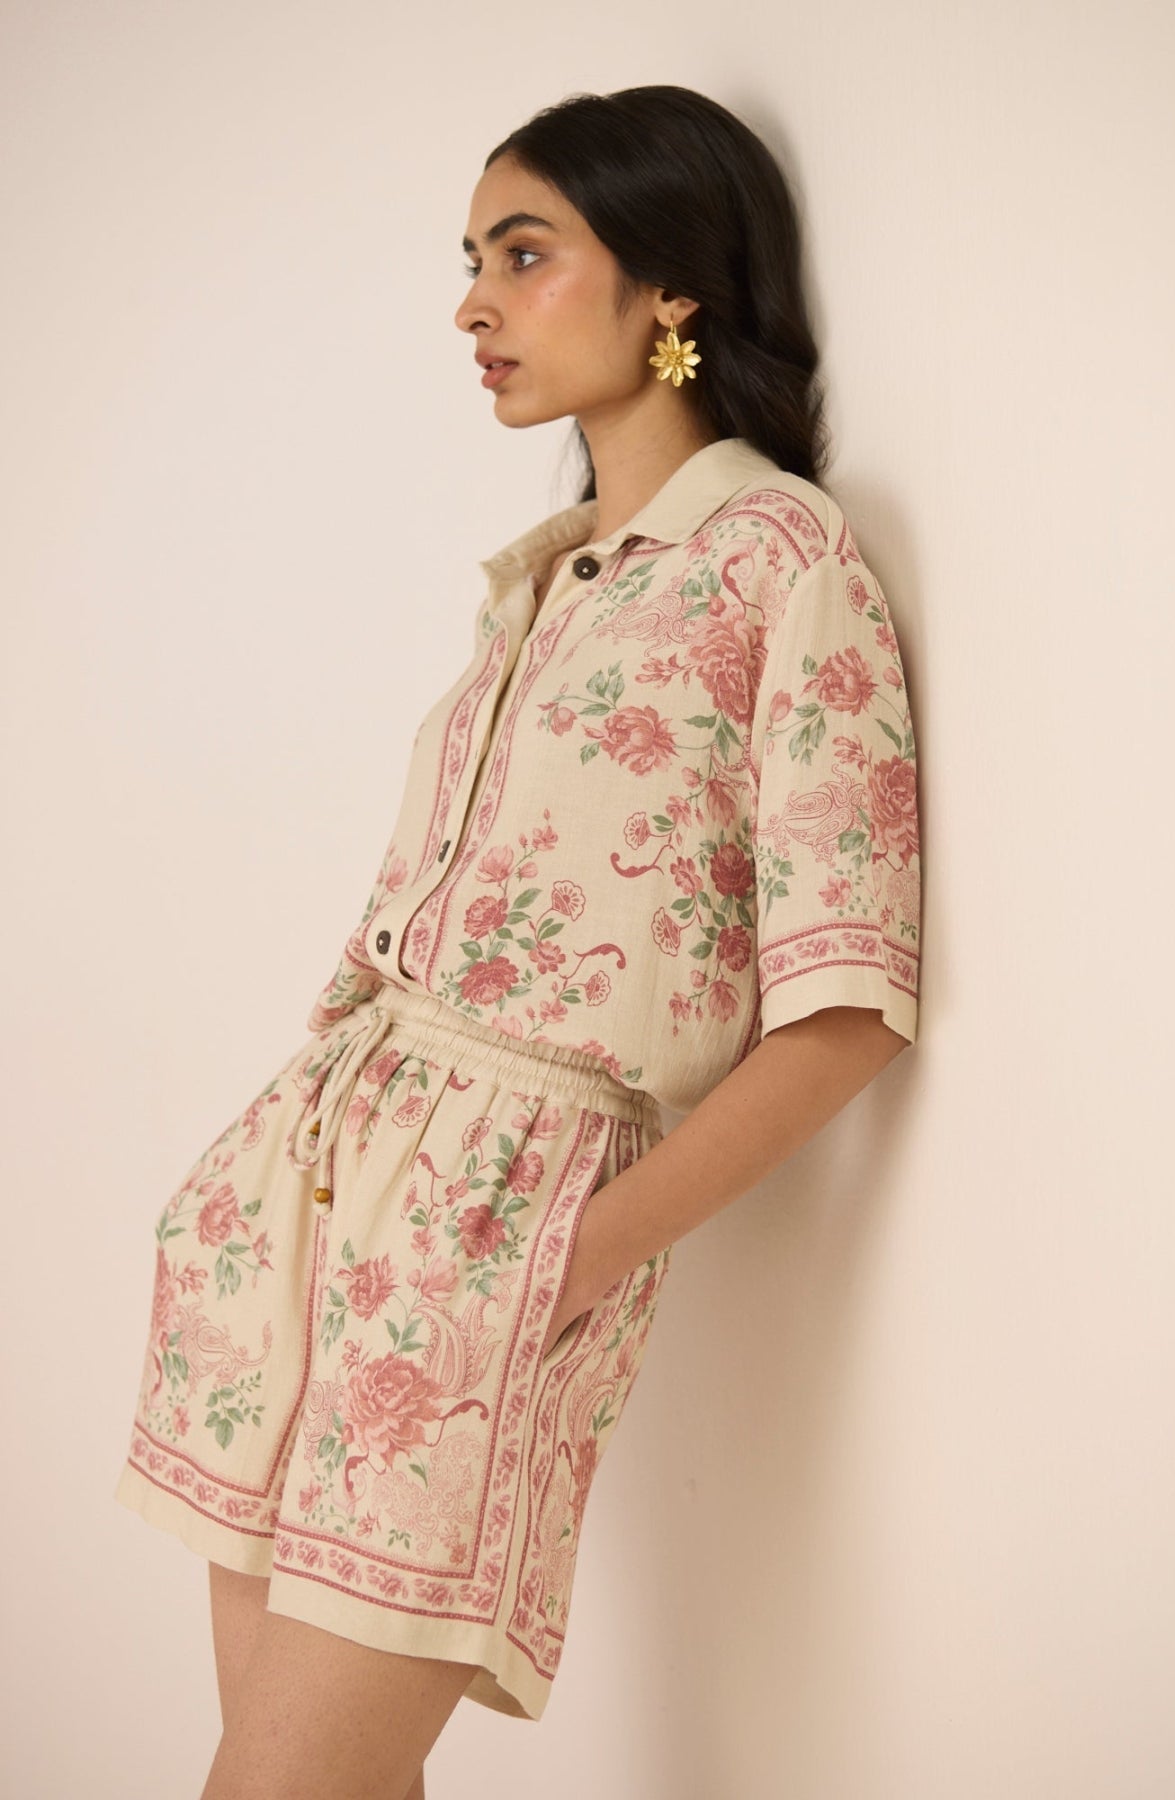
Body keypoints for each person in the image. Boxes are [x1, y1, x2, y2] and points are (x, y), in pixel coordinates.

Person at [113, 84, 922, 1800]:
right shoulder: (541, 584)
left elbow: (847, 1013)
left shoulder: (779, 561)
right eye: (473, 259)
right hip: (298, 1219)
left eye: (524, 254)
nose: (473, 304)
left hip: (494, 1231)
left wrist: (564, 1258)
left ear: (671, 287)